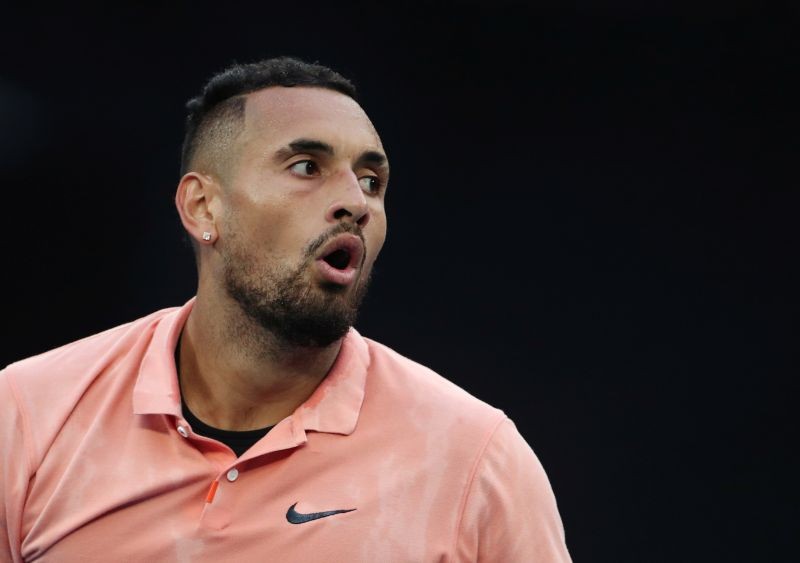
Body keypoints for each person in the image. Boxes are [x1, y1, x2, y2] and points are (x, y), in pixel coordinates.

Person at [0, 57, 571, 562]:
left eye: (372, 181)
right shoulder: (28, 415)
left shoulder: (475, 459)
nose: (355, 202)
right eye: (306, 167)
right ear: (203, 207)